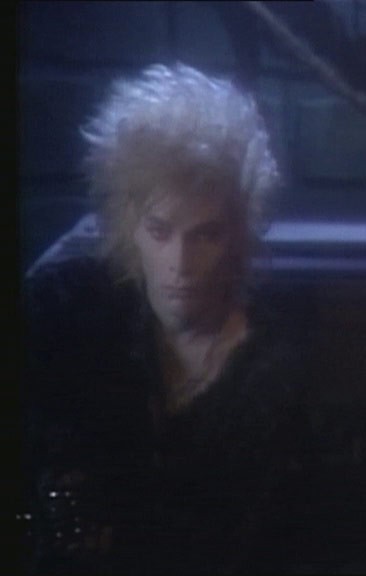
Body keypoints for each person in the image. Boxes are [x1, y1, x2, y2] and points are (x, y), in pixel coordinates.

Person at [21, 63, 308, 574]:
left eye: (206, 235)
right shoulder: (67, 314)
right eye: (160, 231)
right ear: (128, 226)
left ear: (238, 236)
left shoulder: (272, 371)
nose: (180, 262)